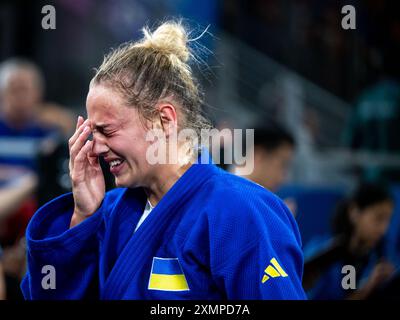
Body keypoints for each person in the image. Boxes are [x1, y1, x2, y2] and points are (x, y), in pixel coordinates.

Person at [21, 21, 306, 300]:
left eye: (106, 130)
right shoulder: (109, 213)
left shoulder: (242, 213)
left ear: (164, 120)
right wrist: (83, 216)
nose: (95, 147)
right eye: (91, 132)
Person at [303, 183, 396, 300]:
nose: (383, 229)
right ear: (354, 212)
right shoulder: (323, 252)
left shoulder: (378, 257)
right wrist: (368, 287)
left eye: (388, 220)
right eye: (378, 218)